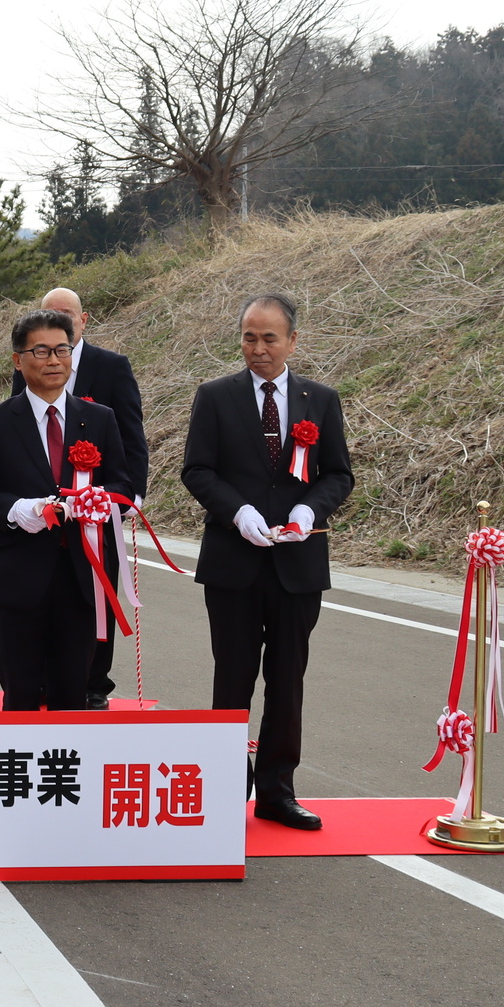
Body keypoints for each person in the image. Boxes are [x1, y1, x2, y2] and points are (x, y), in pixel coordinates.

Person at [181, 293, 353, 831]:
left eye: (269, 338)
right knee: (231, 674)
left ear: (292, 341)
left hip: (297, 563)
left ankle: (278, 790)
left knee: (287, 676)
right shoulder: (216, 396)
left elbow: (338, 474)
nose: (257, 348)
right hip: (234, 559)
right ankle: (226, 783)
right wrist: (239, 512)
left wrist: (308, 508)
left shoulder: (319, 400)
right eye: (249, 337)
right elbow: (198, 470)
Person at [0, 309, 133, 712]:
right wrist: (19, 509)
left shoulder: (99, 419)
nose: (53, 360)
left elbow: (122, 484)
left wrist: (97, 502)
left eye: (61, 350)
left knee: (71, 697)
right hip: (17, 579)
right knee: (19, 696)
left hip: (80, 578)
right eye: (41, 351)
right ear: (19, 360)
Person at [27, 286, 150, 709]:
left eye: (65, 315)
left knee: (97, 594)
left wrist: (130, 496)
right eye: (48, 315)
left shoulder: (111, 367)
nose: (57, 323)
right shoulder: (29, 364)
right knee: (45, 594)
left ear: (83, 320)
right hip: (45, 508)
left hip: (98, 511)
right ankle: (45, 678)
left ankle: (95, 681)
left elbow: (132, 437)